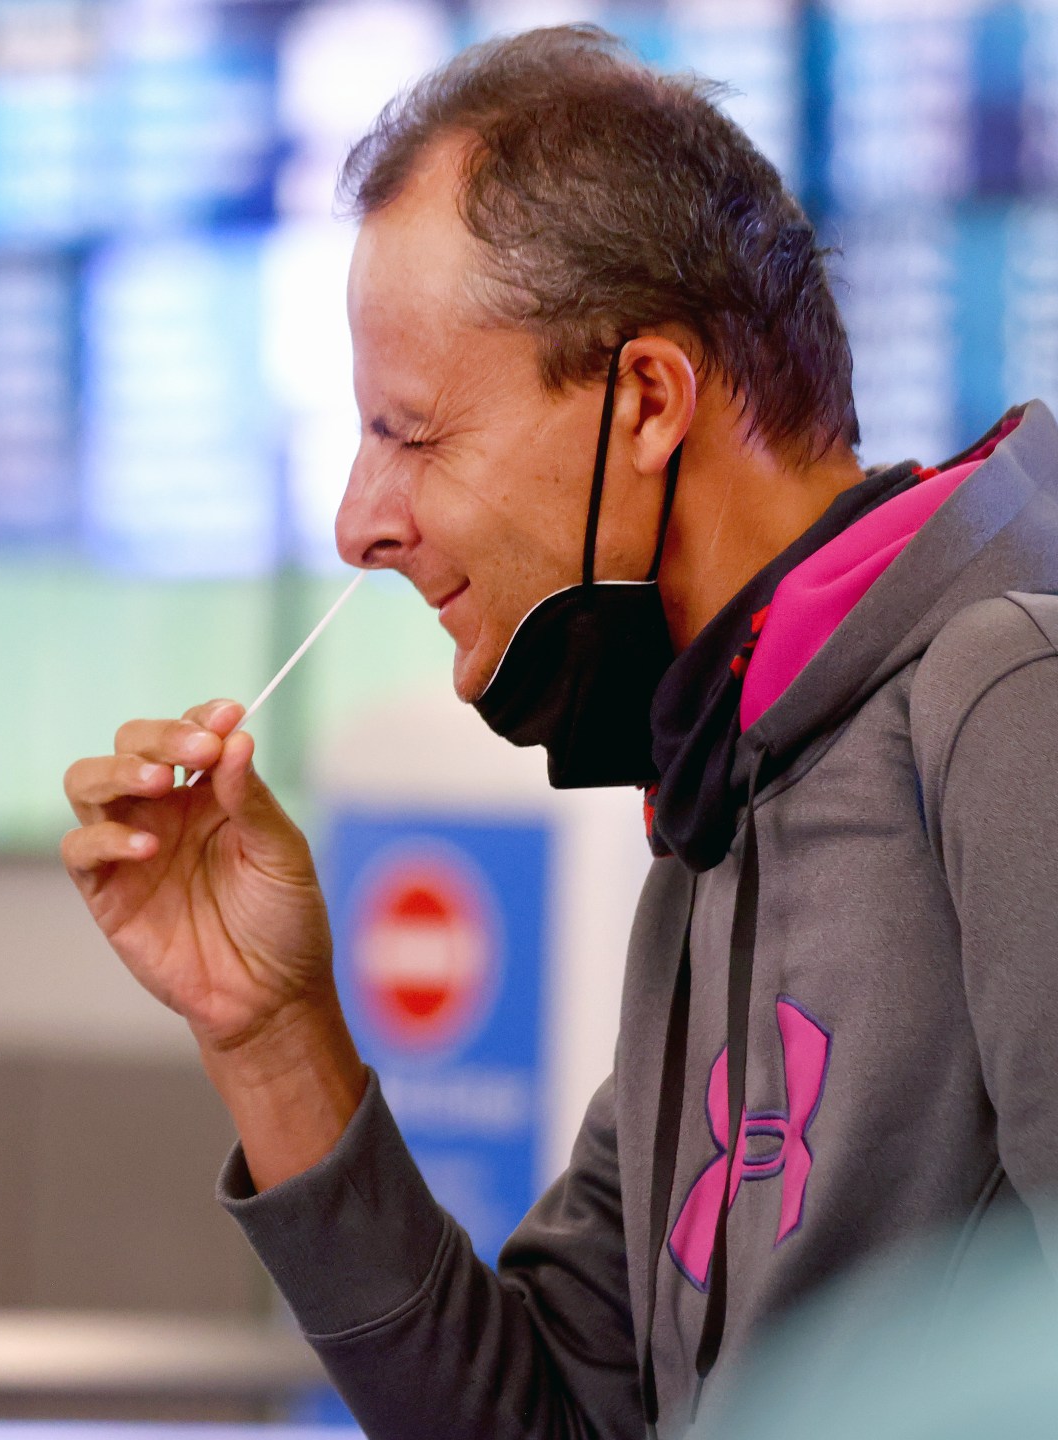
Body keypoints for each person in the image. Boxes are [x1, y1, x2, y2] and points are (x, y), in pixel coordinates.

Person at [61, 27, 1058, 1439]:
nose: (360, 520)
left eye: (409, 434)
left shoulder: (1011, 699)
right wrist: (274, 1032)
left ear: (648, 400)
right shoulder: (724, 813)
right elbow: (538, 1423)